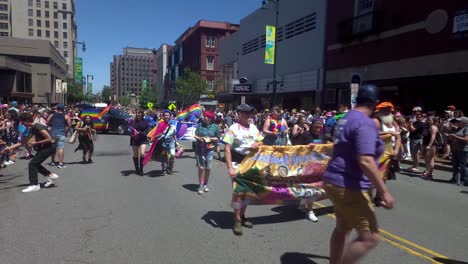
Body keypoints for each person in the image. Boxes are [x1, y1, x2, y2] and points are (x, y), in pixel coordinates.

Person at [323, 85, 394, 264]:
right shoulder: (365, 122)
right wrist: (384, 191)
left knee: (342, 228)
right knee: (370, 237)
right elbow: (366, 160)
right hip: (349, 185)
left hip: (334, 181)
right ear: (375, 104)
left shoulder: (346, 118)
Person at [223, 103, 264, 236]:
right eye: (246, 113)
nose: (249, 116)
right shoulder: (233, 129)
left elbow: (261, 142)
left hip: (251, 163)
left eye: (250, 113)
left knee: (248, 193)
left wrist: (256, 144)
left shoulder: (253, 127)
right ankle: (237, 220)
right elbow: (227, 148)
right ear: (239, 114)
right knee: (239, 192)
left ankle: (243, 215)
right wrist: (230, 168)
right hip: (237, 162)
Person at [1, 112, 59, 193]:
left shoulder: (38, 127)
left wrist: (35, 143)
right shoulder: (32, 128)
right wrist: (10, 148)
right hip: (46, 147)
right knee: (35, 163)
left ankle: (34, 185)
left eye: (23, 122)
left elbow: (49, 139)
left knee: (32, 164)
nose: (23, 125)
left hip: (50, 147)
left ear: (28, 120)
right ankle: (51, 175)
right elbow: (23, 141)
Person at [373, 102, 401, 206]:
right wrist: (387, 133)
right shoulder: (377, 122)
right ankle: (366, 196)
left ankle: (378, 197)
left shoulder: (394, 123)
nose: (388, 112)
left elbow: (398, 138)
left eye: (389, 110)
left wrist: (396, 150)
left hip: (390, 151)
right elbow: (372, 133)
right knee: (373, 175)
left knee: (384, 176)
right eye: (385, 110)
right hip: (378, 151)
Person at [194, 111, 220, 195]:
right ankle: (201, 185)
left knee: (208, 168)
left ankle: (205, 184)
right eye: (204, 116)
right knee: (201, 167)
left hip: (210, 149)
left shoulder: (215, 127)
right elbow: (195, 135)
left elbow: (218, 138)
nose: (204, 117)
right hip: (200, 149)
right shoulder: (200, 125)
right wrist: (200, 138)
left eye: (206, 116)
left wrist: (210, 139)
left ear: (210, 118)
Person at [47, 103, 71, 169]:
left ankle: (52, 161)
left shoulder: (52, 115)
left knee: (53, 148)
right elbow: (69, 125)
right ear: (63, 109)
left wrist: (50, 126)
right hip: (61, 133)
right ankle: (60, 163)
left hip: (53, 133)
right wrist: (65, 131)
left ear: (57, 108)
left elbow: (47, 122)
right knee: (61, 148)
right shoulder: (66, 116)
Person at [448, 117, 468, 185]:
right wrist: (450, 137)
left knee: (462, 165)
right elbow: (453, 138)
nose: (457, 122)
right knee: (455, 164)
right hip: (455, 149)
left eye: (459, 121)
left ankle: (464, 180)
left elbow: (466, 139)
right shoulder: (457, 129)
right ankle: (455, 178)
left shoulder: (466, 129)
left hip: (463, 150)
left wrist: (455, 137)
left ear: (464, 123)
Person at [129, 110, 150, 176]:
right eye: (137, 113)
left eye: (140, 113)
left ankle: (141, 169)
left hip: (142, 139)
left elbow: (147, 129)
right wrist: (130, 133)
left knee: (142, 153)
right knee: (135, 154)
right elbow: (129, 129)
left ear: (142, 114)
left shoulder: (145, 121)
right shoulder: (133, 121)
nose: (138, 114)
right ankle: (136, 168)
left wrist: (141, 133)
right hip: (134, 139)